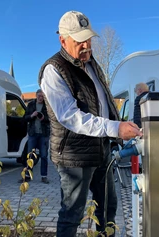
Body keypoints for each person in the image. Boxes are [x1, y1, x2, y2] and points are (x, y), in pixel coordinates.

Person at [38, 10, 142, 237]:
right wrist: (115, 128)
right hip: (74, 155)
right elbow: (70, 116)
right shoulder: (53, 70)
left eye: (88, 38)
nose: (86, 45)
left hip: (101, 148)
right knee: (72, 214)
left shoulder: (92, 64)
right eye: (79, 40)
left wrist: (119, 125)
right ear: (62, 40)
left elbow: (103, 102)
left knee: (107, 208)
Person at [19, 89, 50, 184]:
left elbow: (52, 119)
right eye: (39, 96)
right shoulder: (31, 105)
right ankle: (28, 175)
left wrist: (44, 118)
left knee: (44, 156)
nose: (41, 98)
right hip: (33, 133)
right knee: (30, 155)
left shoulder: (48, 106)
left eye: (42, 96)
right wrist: (32, 115)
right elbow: (25, 118)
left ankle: (44, 176)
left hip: (44, 134)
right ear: (36, 96)